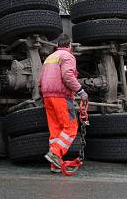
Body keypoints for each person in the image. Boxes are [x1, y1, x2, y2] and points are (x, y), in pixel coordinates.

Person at [38, 33, 88, 174]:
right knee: (70, 128)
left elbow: (40, 79)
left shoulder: (49, 58)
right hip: (61, 97)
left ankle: (56, 164)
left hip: (48, 96)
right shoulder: (67, 56)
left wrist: (43, 94)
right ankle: (54, 153)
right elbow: (67, 76)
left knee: (56, 131)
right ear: (69, 45)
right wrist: (80, 90)